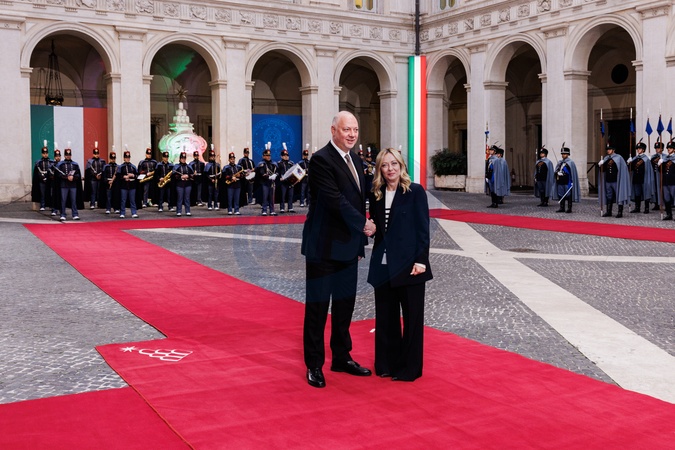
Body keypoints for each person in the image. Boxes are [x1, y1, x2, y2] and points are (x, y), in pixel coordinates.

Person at [301, 111, 376, 388]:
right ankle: (314, 364)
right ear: (334, 130)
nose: (352, 134)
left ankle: (342, 357)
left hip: (348, 247)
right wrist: (364, 224)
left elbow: (358, 199)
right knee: (318, 308)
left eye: (355, 129)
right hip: (322, 247)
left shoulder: (355, 159)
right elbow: (334, 200)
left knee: (345, 305)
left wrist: (360, 240)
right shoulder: (321, 159)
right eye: (346, 129)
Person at [367, 148, 432, 382]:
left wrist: (421, 260)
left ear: (401, 166)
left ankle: (409, 368)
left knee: (412, 319)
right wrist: (371, 229)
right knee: (386, 317)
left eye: (394, 163)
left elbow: (423, 229)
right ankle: (387, 364)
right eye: (385, 165)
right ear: (379, 169)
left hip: (410, 265)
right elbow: (380, 229)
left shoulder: (415, 191)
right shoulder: (376, 194)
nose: (390, 169)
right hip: (383, 266)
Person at [598, 144, 630, 218]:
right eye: (607, 149)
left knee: (618, 195)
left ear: (613, 150)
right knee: (609, 196)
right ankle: (609, 211)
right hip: (608, 180)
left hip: (616, 180)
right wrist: (600, 165)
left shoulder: (619, 158)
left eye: (609, 149)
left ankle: (620, 212)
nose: (608, 151)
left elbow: (623, 168)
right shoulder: (606, 158)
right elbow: (603, 170)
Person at [56, 147, 84, 221]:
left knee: (73, 200)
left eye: (69, 155)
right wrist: (66, 177)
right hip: (63, 185)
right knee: (63, 200)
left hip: (73, 185)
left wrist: (73, 177)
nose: (68, 156)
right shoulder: (60, 164)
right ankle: (63, 214)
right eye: (67, 155)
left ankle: (75, 214)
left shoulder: (75, 164)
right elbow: (58, 175)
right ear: (64, 155)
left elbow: (78, 174)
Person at [627, 141, 655, 214]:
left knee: (646, 193)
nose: (638, 150)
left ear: (643, 150)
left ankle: (646, 208)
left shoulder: (646, 159)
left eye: (639, 148)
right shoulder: (635, 158)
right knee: (637, 193)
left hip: (644, 178)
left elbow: (648, 170)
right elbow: (631, 169)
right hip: (636, 178)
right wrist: (629, 163)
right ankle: (637, 208)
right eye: (637, 148)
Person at [551, 145, 580, 213]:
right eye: (562, 154)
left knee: (568, 195)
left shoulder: (570, 162)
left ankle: (569, 208)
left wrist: (565, 174)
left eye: (564, 154)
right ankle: (562, 207)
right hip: (560, 181)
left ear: (568, 154)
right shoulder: (560, 162)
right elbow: (556, 171)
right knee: (561, 194)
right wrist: (557, 173)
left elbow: (571, 173)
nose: (563, 155)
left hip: (567, 181)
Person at [116, 150, 139, 218]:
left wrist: (133, 175)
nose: (127, 159)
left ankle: (134, 212)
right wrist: (124, 177)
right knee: (123, 200)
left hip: (132, 185)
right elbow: (118, 176)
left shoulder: (133, 166)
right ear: (124, 158)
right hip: (124, 185)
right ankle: (122, 213)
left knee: (132, 200)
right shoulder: (121, 167)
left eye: (128, 158)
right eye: (126, 158)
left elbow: (137, 175)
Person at [256, 146, 278, 216]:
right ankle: (264, 210)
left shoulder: (273, 163)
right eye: (267, 155)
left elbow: (277, 171)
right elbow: (262, 173)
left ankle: (272, 210)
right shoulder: (261, 164)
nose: (268, 157)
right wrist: (269, 177)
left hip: (272, 183)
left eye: (269, 155)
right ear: (263, 156)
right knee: (265, 197)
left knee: (272, 198)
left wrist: (276, 175)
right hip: (265, 183)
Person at [32, 143, 52, 211]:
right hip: (41, 180)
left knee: (50, 193)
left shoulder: (51, 162)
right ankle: (42, 205)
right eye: (44, 153)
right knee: (42, 193)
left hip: (49, 179)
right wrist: (42, 177)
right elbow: (37, 172)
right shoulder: (38, 162)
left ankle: (50, 205)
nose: (45, 154)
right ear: (42, 154)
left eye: (46, 153)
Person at [84, 145, 106, 210]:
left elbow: (104, 169)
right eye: (95, 154)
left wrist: (100, 174)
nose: (97, 155)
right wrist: (95, 175)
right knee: (93, 191)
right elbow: (89, 170)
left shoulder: (102, 161)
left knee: (99, 191)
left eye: (97, 154)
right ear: (93, 154)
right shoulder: (90, 161)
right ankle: (92, 204)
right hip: (93, 179)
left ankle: (100, 204)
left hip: (100, 178)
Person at [173, 151, 194, 216]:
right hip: (179, 184)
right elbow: (174, 175)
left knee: (187, 198)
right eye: (182, 158)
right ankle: (179, 211)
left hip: (188, 184)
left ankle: (188, 211)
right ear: (180, 159)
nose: (183, 160)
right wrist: (181, 177)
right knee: (180, 198)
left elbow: (192, 175)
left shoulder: (189, 166)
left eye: (184, 158)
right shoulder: (176, 166)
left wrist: (188, 176)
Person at [659, 141, 675, 220]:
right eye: (668, 148)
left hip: (673, 181)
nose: (669, 149)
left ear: (674, 149)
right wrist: (660, 164)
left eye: (670, 148)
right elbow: (660, 171)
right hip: (665, 181)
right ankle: (669, 214)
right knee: (667, 198)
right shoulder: (665, 158)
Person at [277, 148, 295, 213]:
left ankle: (290, 207)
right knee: (283, 195)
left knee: (290, 195)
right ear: (281, 156)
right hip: (283, 181)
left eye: (287, 155)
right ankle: (282, 208)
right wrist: (279, 178)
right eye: (284, 155)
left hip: (291, 181)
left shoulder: (291, 163)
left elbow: (294, 171)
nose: (286, 157)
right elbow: (277, 172)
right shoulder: (279, 163)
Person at [650, 141, 665, 211]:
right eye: (656, 148)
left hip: (661, 174)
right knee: (655, 188)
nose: (656, 149)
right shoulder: (653, 157)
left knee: (661, 189)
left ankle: (662, 204)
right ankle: (656, 203)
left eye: (658, 148)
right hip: (654, 174)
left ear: (662, 149)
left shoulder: (664, 156)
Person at [48, 149, 62, 216]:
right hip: (53, 183)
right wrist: (52, 176)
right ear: (54, 157)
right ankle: (54, 210)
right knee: (53, 196)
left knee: (61, 197)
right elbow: (50, 174)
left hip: (61, 183)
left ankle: (61, 210)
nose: (58, 157)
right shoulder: (52, 165)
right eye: (56, 156)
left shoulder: (62, 164)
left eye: (59, 156)